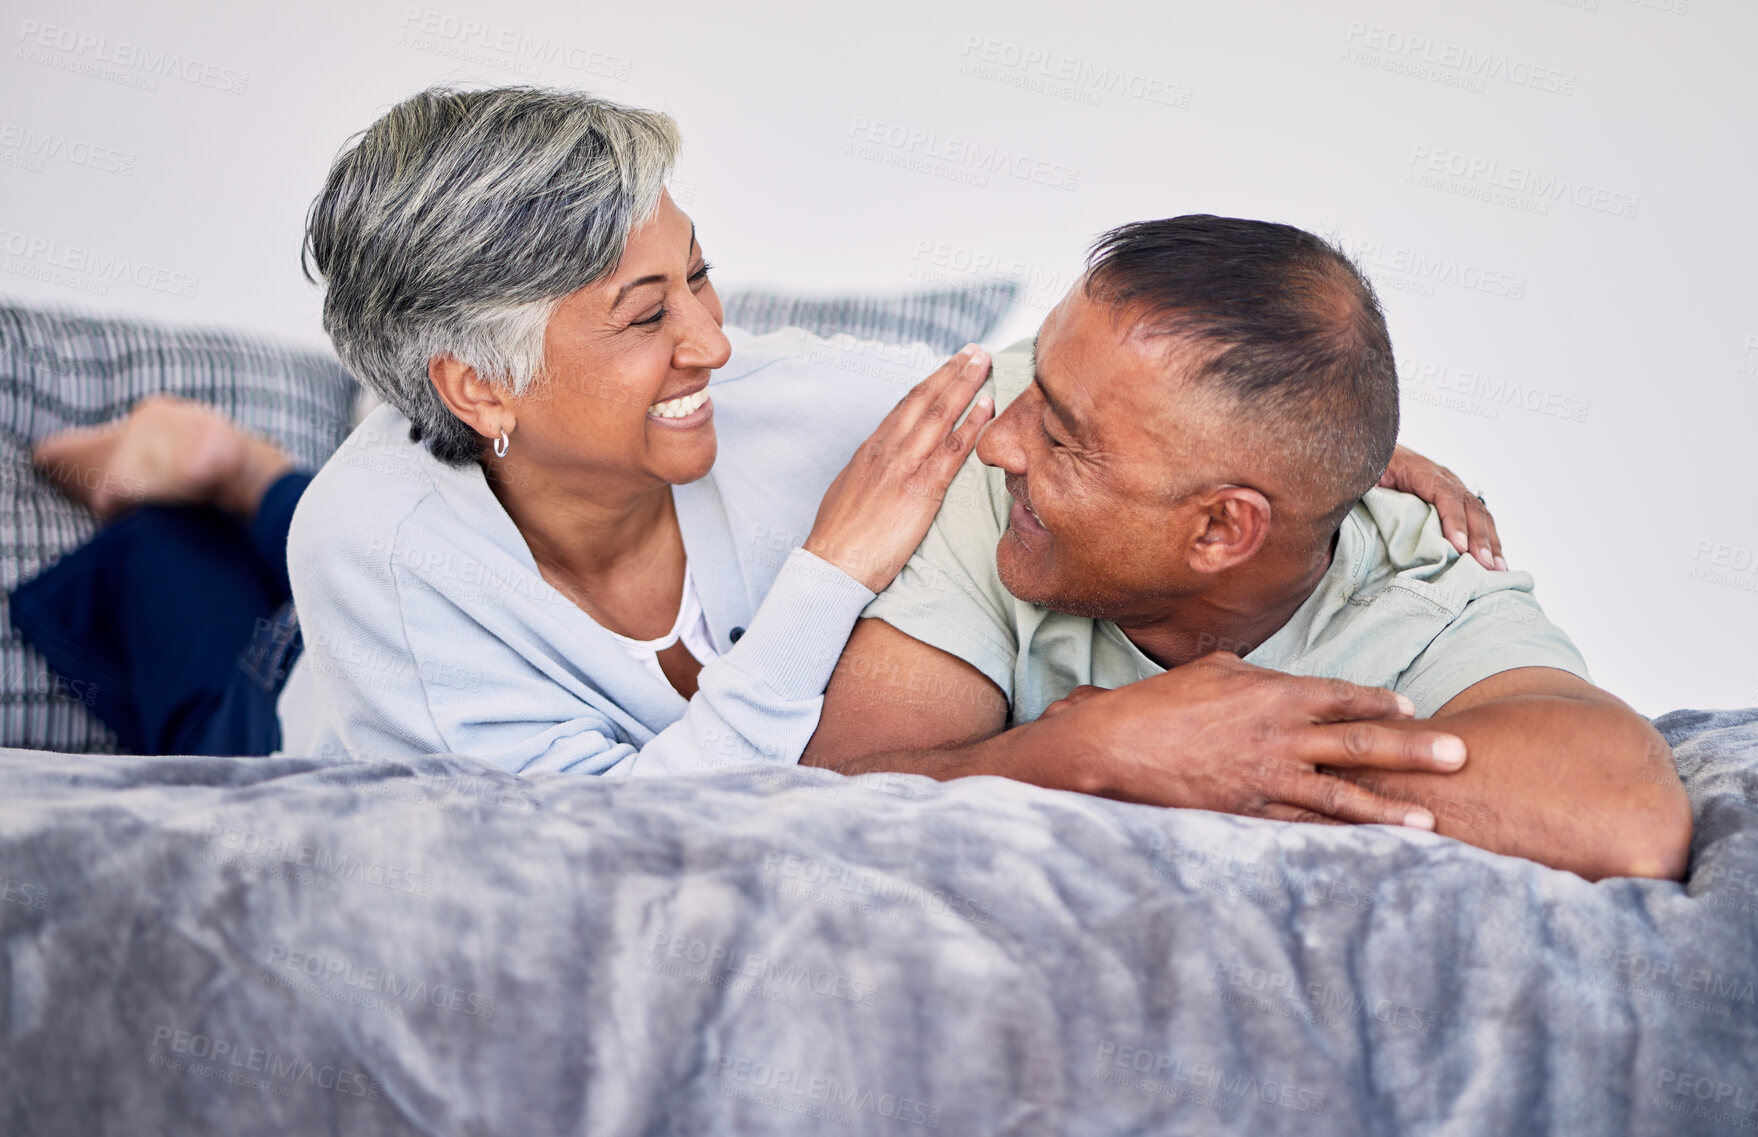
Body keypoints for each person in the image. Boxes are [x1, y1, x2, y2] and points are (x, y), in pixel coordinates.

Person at [9, 86, 1490, 780]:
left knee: (446, 511)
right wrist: (826, 579)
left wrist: (1336, 473)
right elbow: (615, 842)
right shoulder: (377, 551)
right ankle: (191, 477)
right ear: (480, 383)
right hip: (293, 703)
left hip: (493, 511)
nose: (715, 340)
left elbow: (1084, 412)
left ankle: (222, 458)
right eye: (644, 313)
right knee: (184, 600)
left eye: (698, 273)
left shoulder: (786, 399)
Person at [801, 215, 1692, 882]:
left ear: (1223, 529)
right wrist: (1088, 755)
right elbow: (829, 798)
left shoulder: (1416, 578)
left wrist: (1244, 762)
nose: (1005, 441)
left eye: (1065, 438)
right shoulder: (991, 445)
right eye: (1035, 374)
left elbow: (1623, 813)